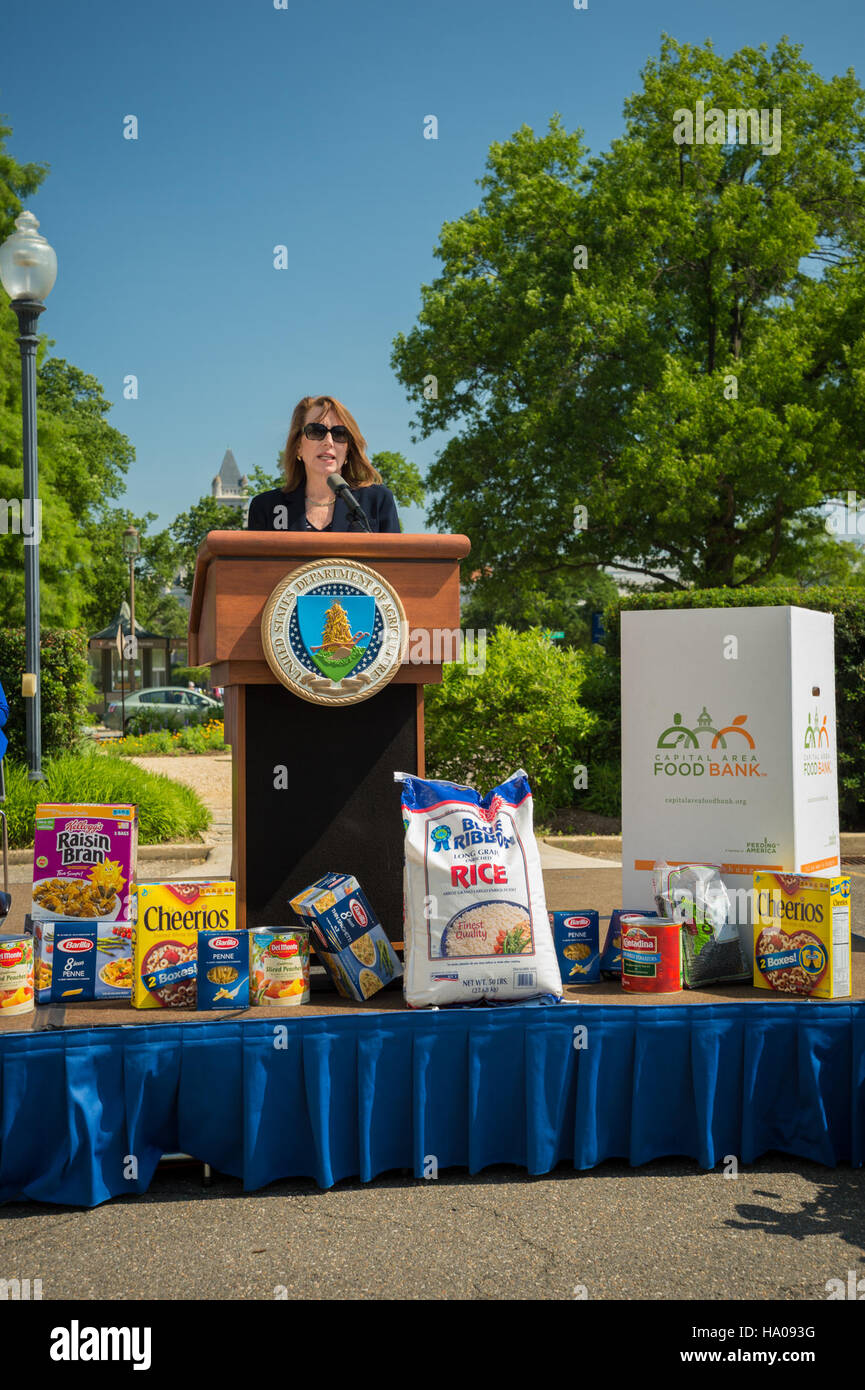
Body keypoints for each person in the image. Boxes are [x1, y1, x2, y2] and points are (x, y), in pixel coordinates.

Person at [246, 395, 400, 533]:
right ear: (298, 446)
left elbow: (394, 564)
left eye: (339, 434)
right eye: (316, 431)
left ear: (348, 450)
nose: (329, 442)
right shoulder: (266, 507)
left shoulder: (377, 501)